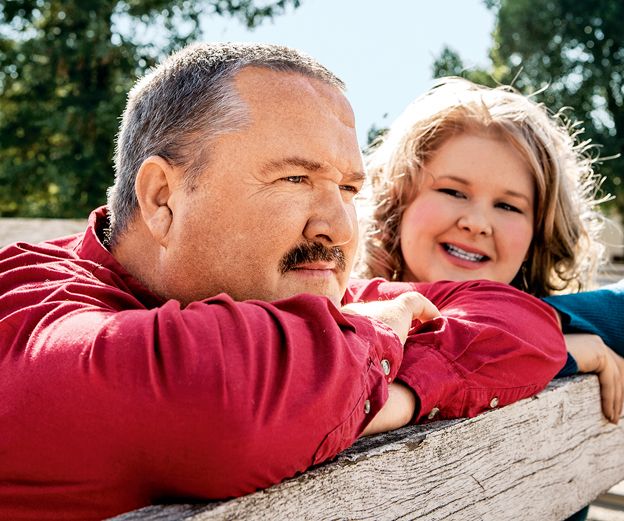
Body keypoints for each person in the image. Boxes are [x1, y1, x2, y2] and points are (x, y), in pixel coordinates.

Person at [0, 45, 569, 520]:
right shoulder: (32, 316)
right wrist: (375, 340)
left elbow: (515, 322)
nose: (338, 227)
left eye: (348, 189)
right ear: (162, 199)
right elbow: (225, 399)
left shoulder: (286, 287)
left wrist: (381, 389)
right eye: (296, 178)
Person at [361, 78, 624, 520]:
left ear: (539, 233)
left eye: (509, 206)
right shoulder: (346, 313)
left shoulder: (551, 319)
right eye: (453, 192)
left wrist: (519, 331)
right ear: (398, 201)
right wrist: (519, 343)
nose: (477, 222)